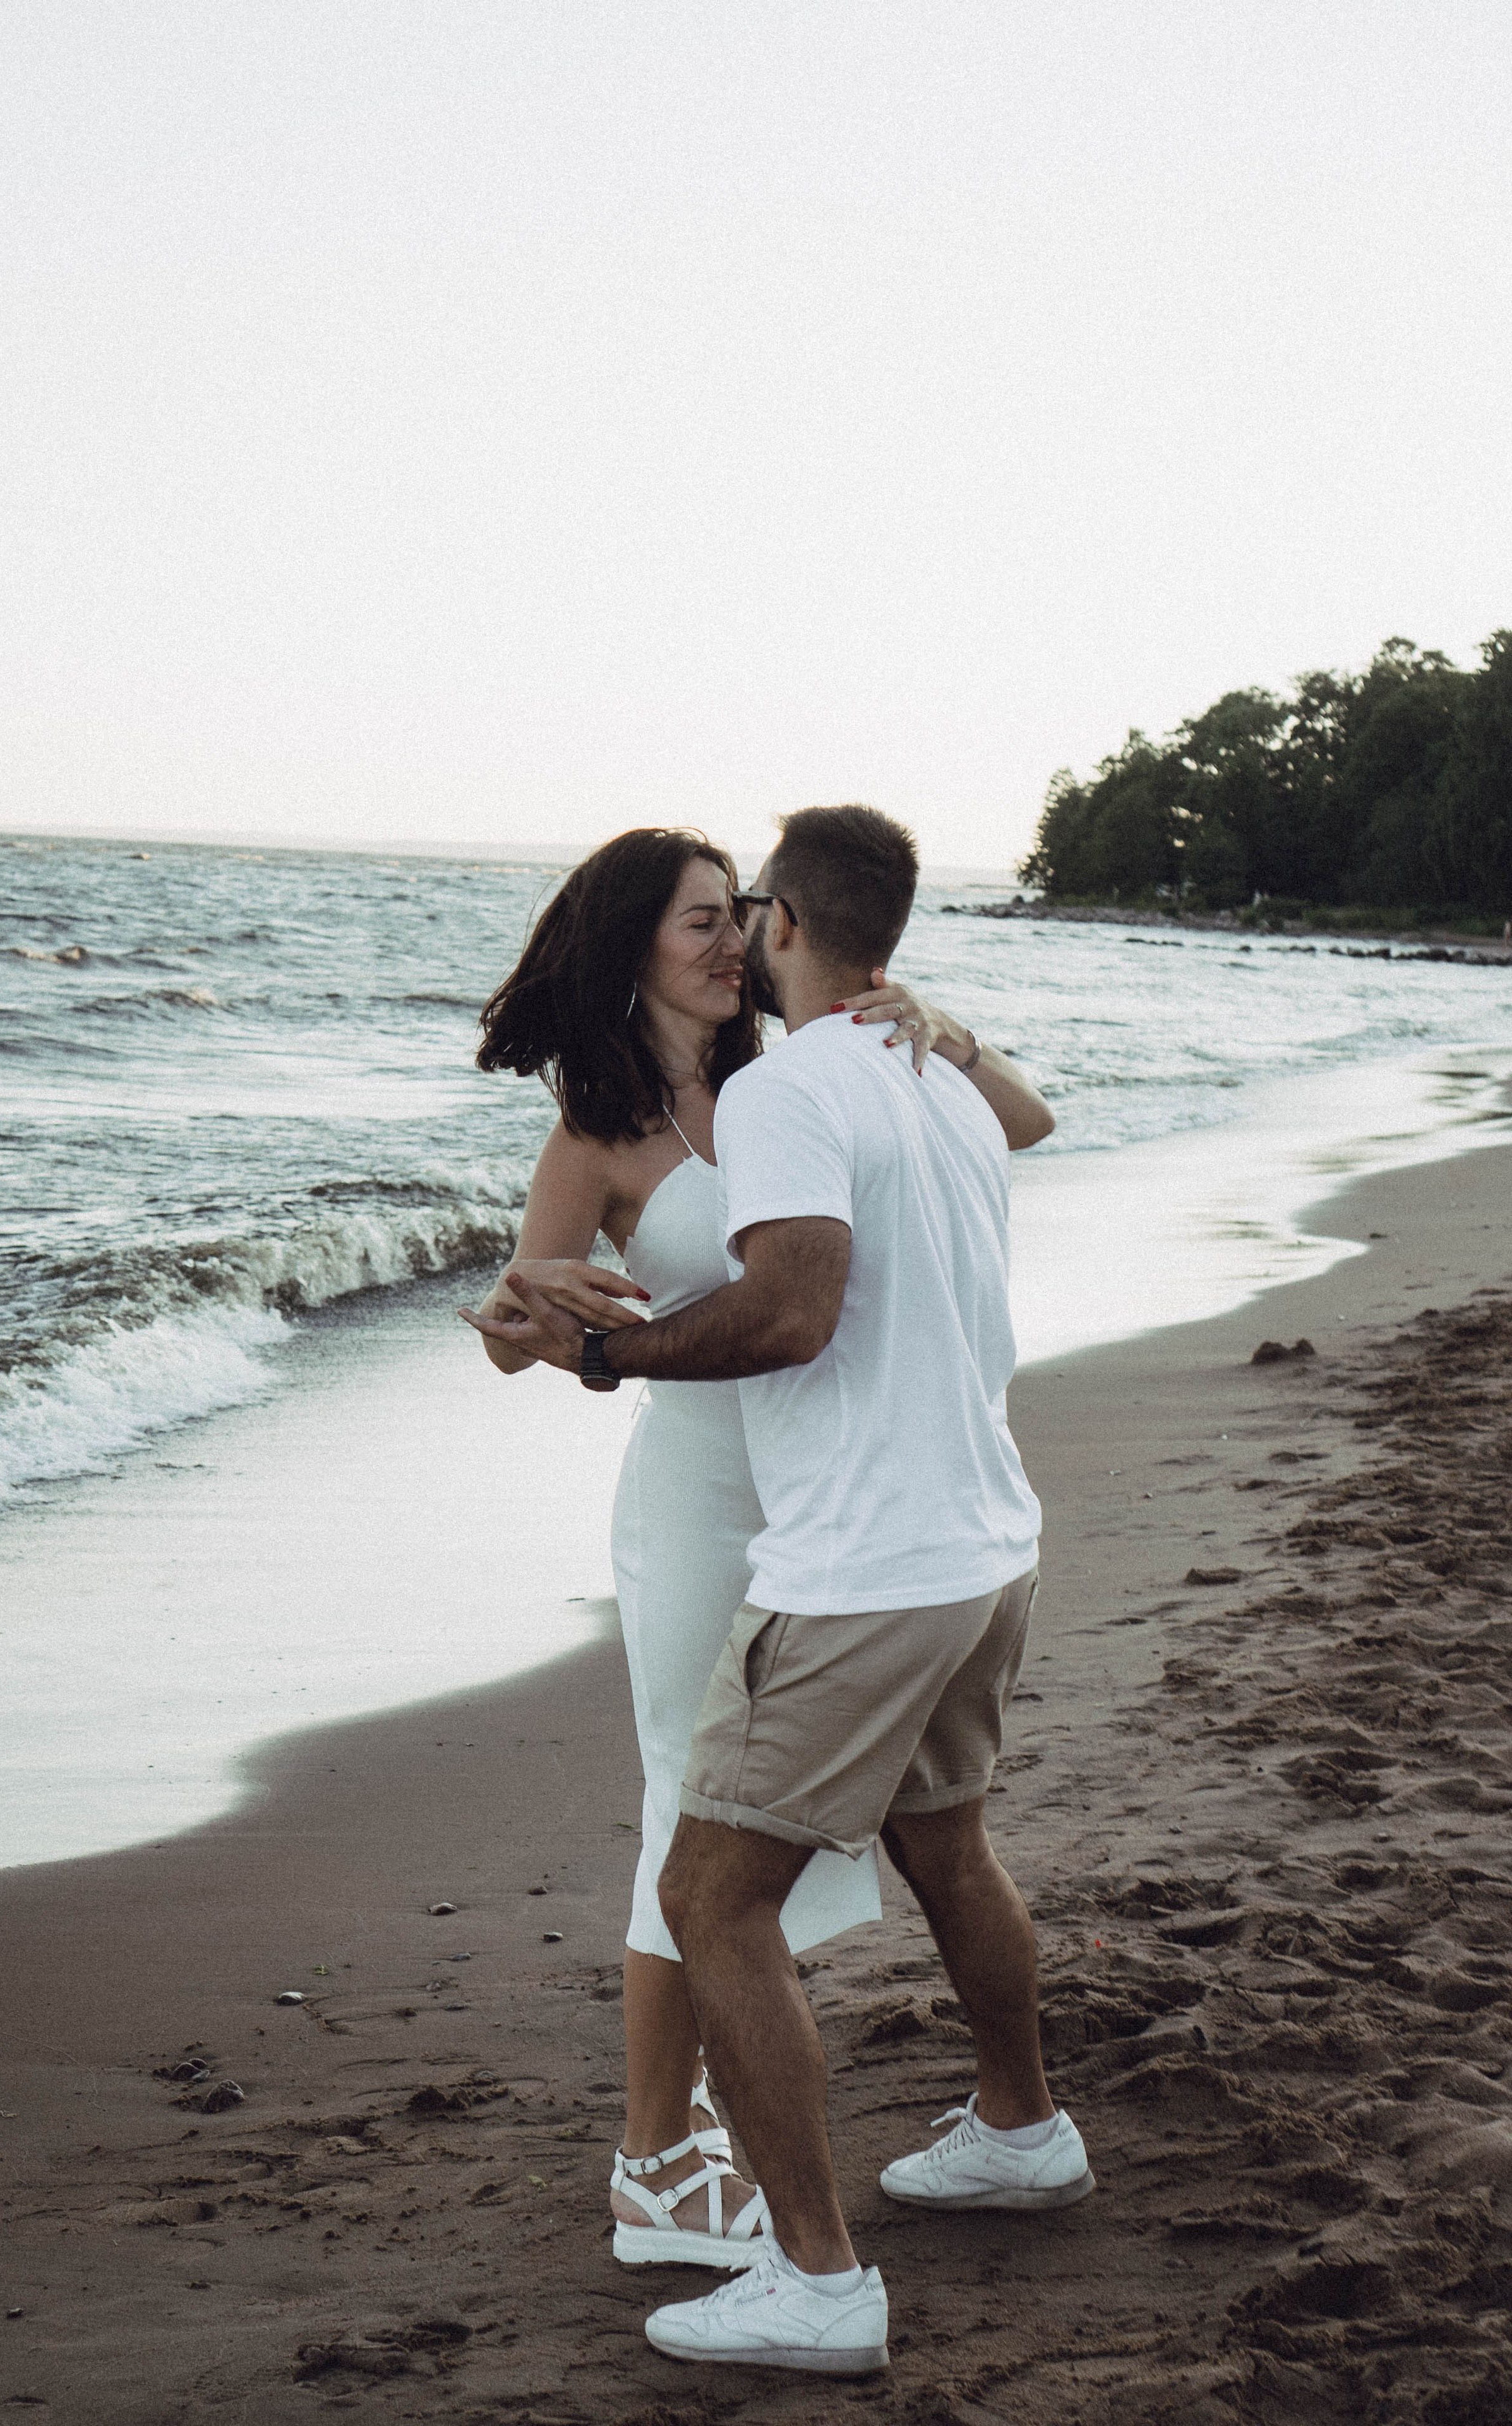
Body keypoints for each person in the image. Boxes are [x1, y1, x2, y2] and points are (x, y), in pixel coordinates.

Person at [464, 805, 1084, 2379]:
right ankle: (658, 2151)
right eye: (693, 918)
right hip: (709, 1501)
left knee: (771, 1852)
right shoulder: (596, 1136)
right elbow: (528, 1325)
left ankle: (807, 2198)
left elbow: (1004, 1122)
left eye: (737, 910)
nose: (729, 936)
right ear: (633, 950)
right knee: (690, 1812)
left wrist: (940, 1024)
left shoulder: (814, 1067)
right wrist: (515, 1313)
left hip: (844, 1506)